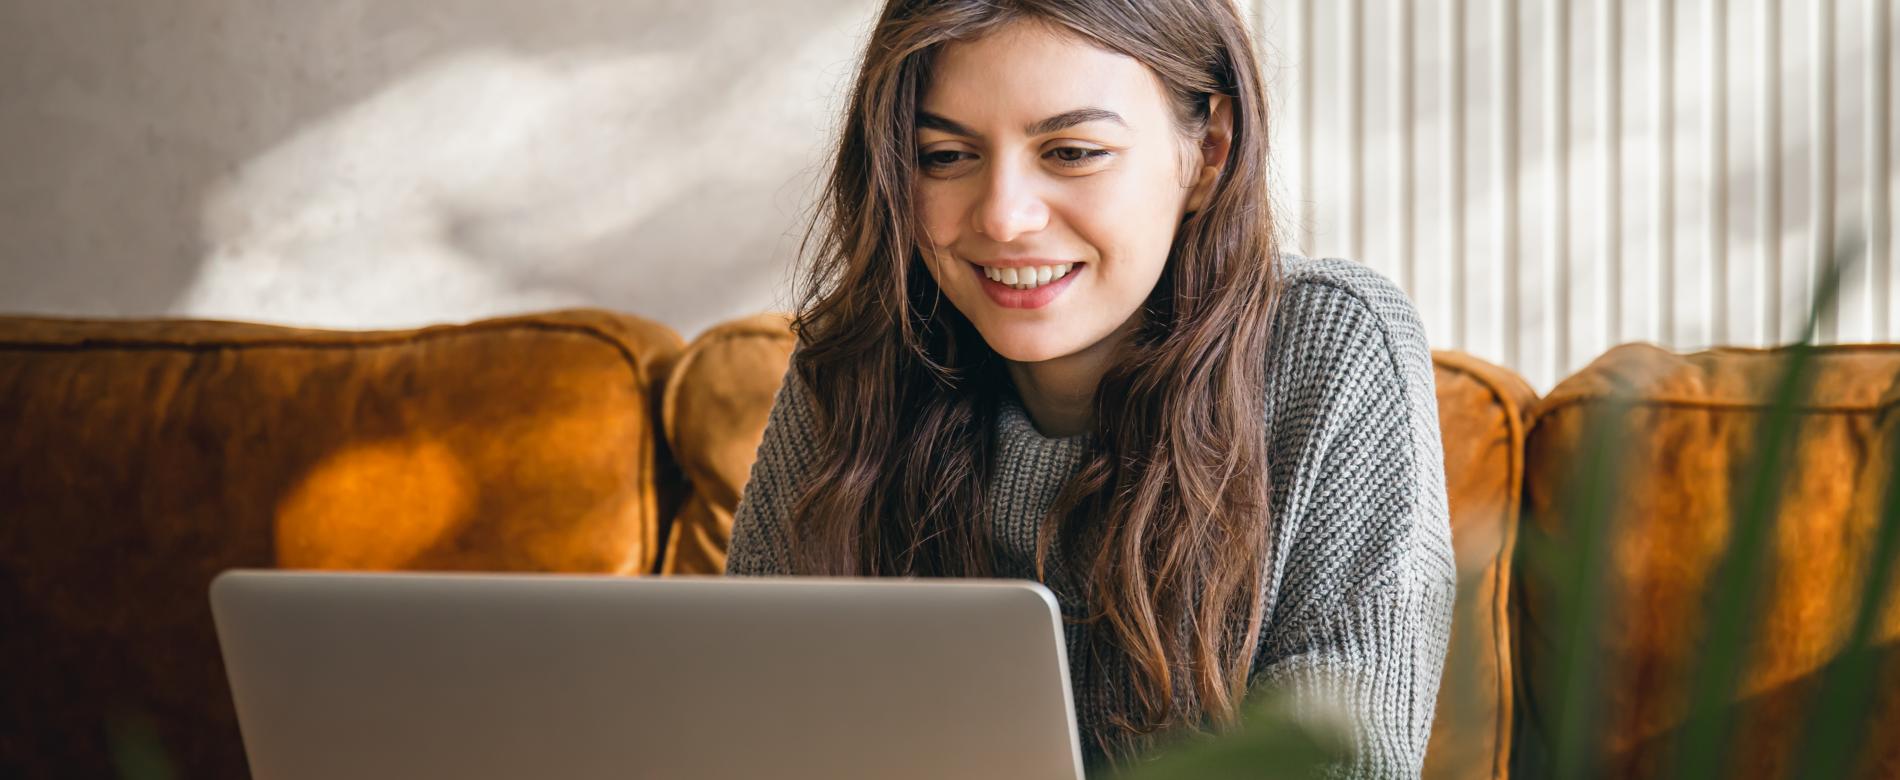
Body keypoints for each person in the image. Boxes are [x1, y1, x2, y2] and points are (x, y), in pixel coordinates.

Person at [725, 0, 1455, 775]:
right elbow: (738, 719)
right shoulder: (856, 363)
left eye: (1072, 151)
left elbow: (1346, 761)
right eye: (944, 156)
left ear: (1209, 149)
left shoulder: (1332, 348)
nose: (1004, 217)